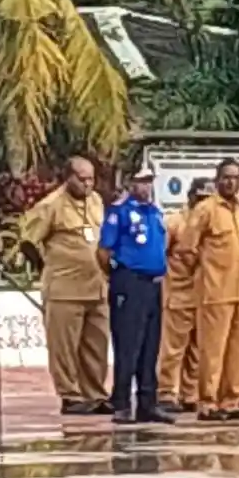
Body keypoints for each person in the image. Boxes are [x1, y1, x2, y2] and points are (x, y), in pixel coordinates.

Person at [20, 156, 110, 415]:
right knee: (64, 347)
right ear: (67, 177)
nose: (87, 184)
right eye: (81, 179)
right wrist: (44, 268)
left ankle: (96, 394)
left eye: (91, 179)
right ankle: (71, 396)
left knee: (97, 345)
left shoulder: (96, 201)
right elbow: (28, 242)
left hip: (96, 287)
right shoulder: (51, 205)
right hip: (64, 289)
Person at [178, 159, 239, 422]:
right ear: (217, 179)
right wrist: (203, 274)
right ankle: (208, 403)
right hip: (216, 291)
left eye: (235, 178)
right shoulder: (205, 209)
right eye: (226, 177)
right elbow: (187, 248)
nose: (231, 182)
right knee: (212, 350)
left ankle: (231, 402)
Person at [98, 167, 173, 424]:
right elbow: (104, 252)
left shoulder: (154, 212)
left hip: (153, 284)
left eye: (149, 182)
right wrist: (119, 276)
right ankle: (120, 403)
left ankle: (147, 403)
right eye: (141, 182)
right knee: (128, 345)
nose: (146, 187)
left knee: (150, 346)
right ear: (130, 183)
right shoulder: (119, 212)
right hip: (130, 282)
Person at [156, 178, 212, 413]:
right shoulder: (175, 222)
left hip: (205, 296)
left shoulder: (212, 221)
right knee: (173, 349)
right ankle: (167, 392)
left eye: (207, 199)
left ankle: (190, 393)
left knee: (198, 350)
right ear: (190, 197)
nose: (203, 203)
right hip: (178, 294)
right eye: (199, 198)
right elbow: (160, 254)